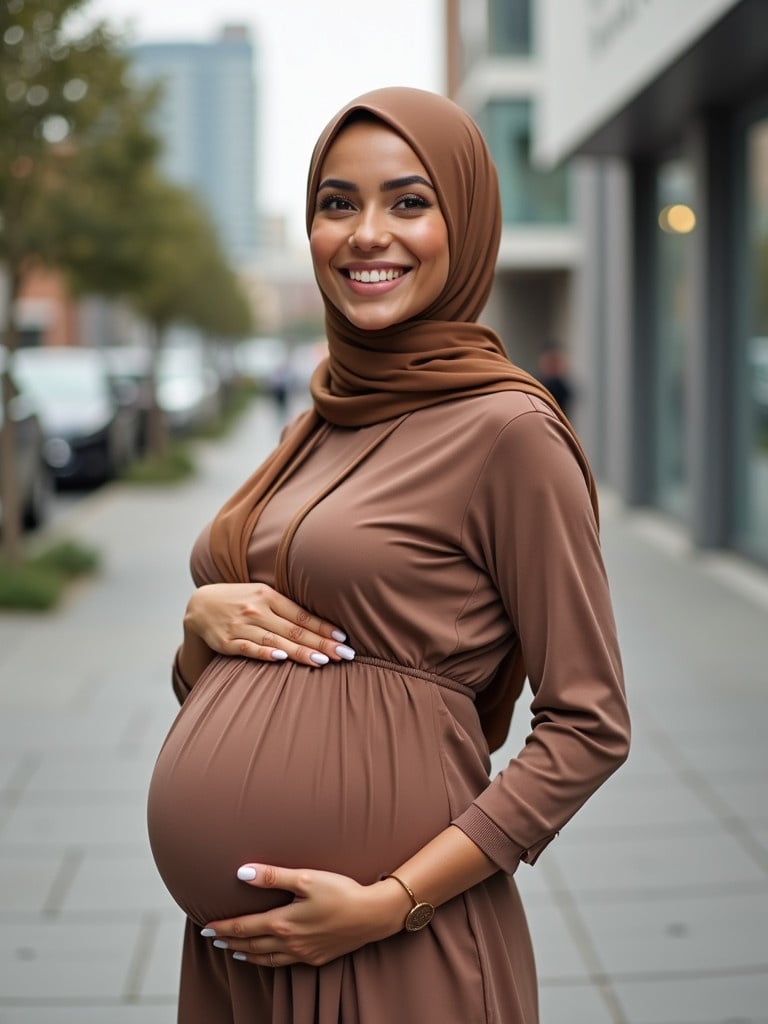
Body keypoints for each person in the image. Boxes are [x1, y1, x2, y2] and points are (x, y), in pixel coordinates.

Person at [147, 87, 630, 1024]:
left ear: (469, 224)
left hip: (388, 947)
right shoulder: (316, 419)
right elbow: (228, 680)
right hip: (238, 958)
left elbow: (591, 726)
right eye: (338, 204)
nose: (368, 233)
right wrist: (202, 623)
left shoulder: (508, 431)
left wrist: (389, 904)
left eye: (409, 202)